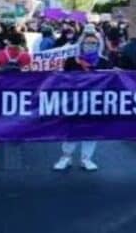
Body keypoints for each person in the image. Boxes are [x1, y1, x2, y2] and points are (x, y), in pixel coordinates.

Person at [53, 33, 113, 171]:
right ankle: (66, 157)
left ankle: (86, 159)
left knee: (91, 131)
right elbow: (63, 79)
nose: (90, 45)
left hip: (95, 102)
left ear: (99, 46)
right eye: (87, 43)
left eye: (93, 43)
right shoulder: (71, 61)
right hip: (74, 102)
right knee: (71, 131)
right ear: (81, 44)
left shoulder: (104, 62)